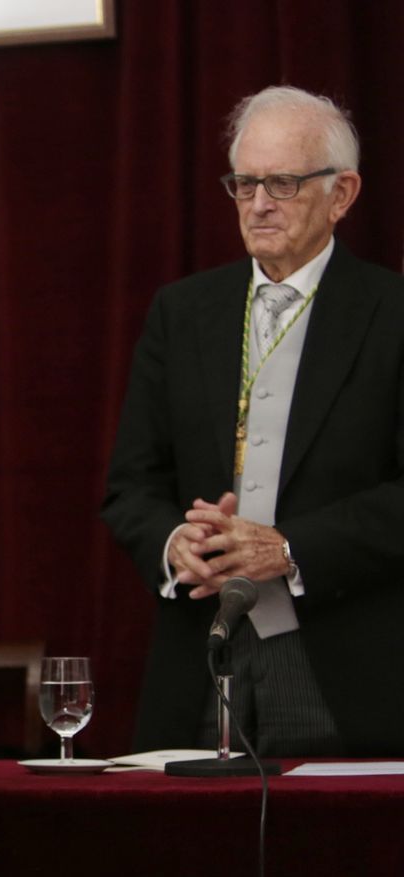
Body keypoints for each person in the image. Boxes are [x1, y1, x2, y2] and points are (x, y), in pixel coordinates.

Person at [103, 86, 404, 756]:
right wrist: (174, 540)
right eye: (244, 183)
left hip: (343, 661)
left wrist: (289, 549)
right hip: (200, 657)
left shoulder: (393, 313)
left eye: (284, 183)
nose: (259, 203)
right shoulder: (182, 312)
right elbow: (130, 486)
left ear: (343, 193)